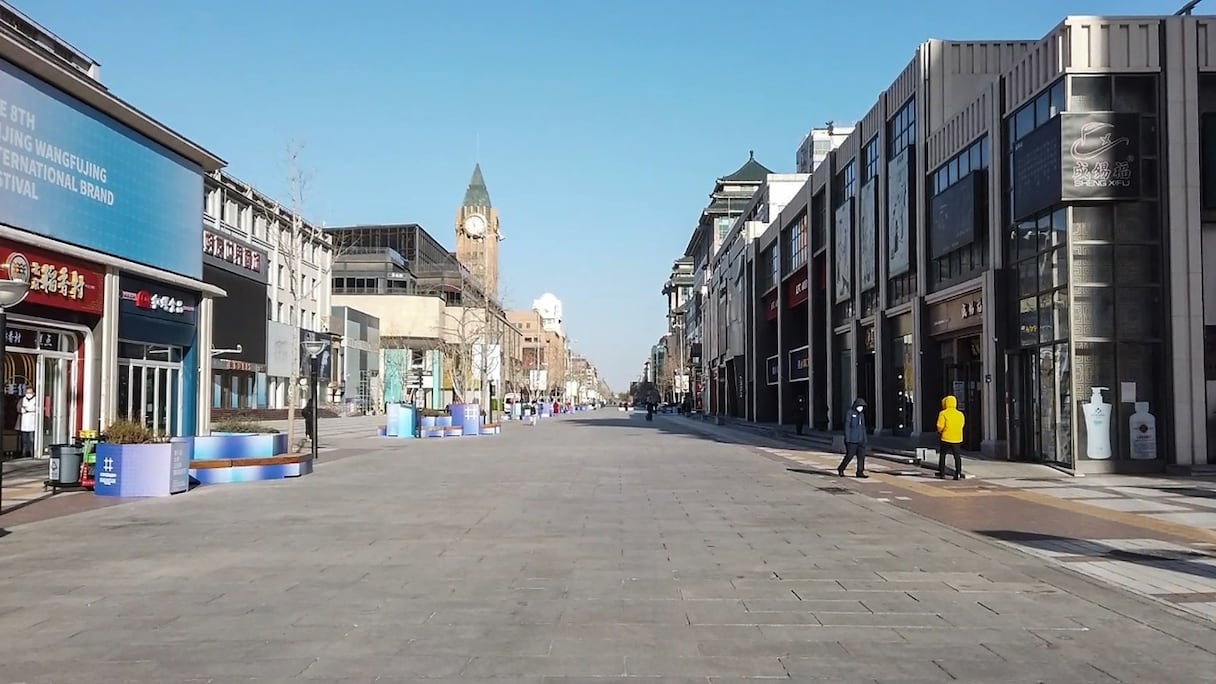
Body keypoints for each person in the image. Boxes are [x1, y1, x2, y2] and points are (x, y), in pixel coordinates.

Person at [836, 398, 868, 478]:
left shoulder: (861, 415)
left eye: (862, 406)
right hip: (852, 440)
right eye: (860, 406)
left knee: (861, 456)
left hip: (860, 439)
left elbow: (863, 427)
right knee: (849, 455)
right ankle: (841, 468)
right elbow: (847, 426)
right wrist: (847, 438)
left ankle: (860, 471)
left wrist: (864, 438)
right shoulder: (850, 413)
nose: (861, 408)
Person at [936, 395, 966, 480]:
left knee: (943, 455)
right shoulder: (960, 414)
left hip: (946, 437)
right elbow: (962, 424)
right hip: (957, 438)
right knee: (957, 456)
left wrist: (940, 431)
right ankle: (958, 473)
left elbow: (940, 426)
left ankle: (942, 473)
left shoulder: (943, 413)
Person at [17, 385, 37, 458]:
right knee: (24, 440)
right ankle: (24, 453)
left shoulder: (36, 399)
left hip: (32, 422)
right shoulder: (22, 400)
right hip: (24, 422)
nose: (28, 394)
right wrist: (21, 410)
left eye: (30, 392)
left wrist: (30, 409)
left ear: (33, 393)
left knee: (32, 439)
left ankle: (32, 453)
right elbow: (18, 407)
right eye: (27, 392)